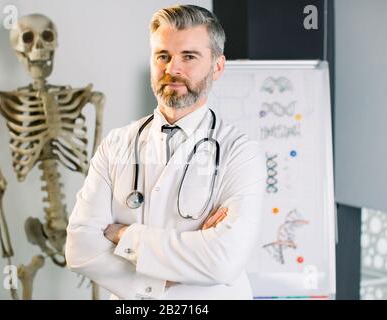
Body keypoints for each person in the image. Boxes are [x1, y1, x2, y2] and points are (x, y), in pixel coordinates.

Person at [66, 4, 265, 300]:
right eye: (163, 56)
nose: (173, 69)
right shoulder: (117, 144)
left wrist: (124, 235)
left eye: (189, 56)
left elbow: (223, 261)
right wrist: (166, 279)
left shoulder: (240, 153)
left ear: (217, 66)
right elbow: (80, 249)